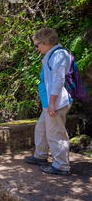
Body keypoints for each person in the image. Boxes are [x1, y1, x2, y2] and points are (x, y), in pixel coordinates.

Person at [24, 28, 72, 176]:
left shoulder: (59, 55)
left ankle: (61, 165)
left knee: (55, 133)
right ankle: (40, 155)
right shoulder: (52, 55)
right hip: (50, 102)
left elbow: (58, 81)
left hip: (57, 102)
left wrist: (52, 104)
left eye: (37, 45)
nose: (36, 49)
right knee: (41, 129)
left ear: (46, 42)